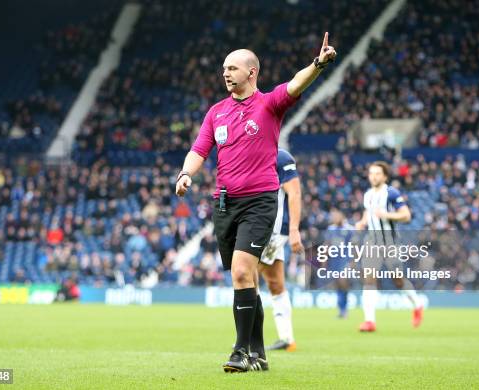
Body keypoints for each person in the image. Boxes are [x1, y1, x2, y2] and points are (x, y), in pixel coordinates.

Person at [176, 33, 337, 372]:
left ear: (251, 72)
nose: (225, 74)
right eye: (223, 69)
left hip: (259, 202)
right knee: (246, 279)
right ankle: (260, 353)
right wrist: (185, 174)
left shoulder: (269, 104)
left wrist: (318, 64)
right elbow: (199, 149)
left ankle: (240, 351)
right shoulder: (216, 112)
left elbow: (295, 84)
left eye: (232, 68)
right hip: (224, 204)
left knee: (241, 272)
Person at [354, 161, 423, 332]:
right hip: (372, 240)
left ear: (384, 176)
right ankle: (369, 321)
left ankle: (417, 304)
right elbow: (367, 212)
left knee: (398, 280)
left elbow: (406, 215)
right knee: (369, 278)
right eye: (371, 173)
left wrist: (386, 215)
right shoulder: (368, 194)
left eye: (377, 173)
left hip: (390, 241)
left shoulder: (391, 193)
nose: (374, 176)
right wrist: (362, 222)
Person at [259, 148, 304, 353]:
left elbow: (294, 192)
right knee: (274, 282)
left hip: (272, 231)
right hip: (258, 228)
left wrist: (294, 229)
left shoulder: (281, 156)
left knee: (247, 273)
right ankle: (287, 338)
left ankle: (248, 340)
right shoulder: (248, 151)